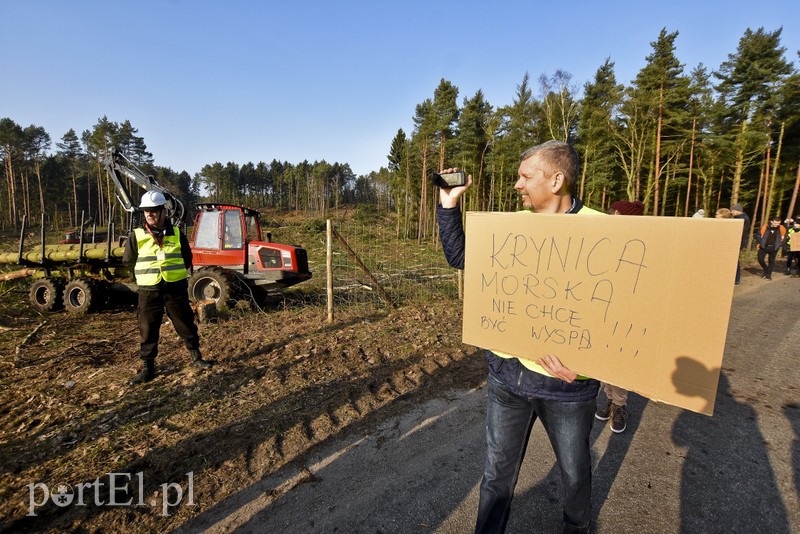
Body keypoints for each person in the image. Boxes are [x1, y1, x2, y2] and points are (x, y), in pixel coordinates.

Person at [437, 140, 600, 534]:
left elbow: (623, 316)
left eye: (526, 176)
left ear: (556, 180)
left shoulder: (603, 230)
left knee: (575, 475)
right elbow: (460, 257)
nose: (517, 184)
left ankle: (576, 528)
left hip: (566, 388)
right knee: (496, 476)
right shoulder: (511, 226)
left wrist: (593, 364)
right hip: (507, 378)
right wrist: (448, 205)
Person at [123, 191, 213, 384]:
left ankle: (196, 357)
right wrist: (142, 279)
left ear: (164, 212)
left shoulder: (177, 234)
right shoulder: (136, 236)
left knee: (185, 322)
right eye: (146, 211)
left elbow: (187, 259)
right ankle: (148, 368)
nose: (150, 214)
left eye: (154, 211)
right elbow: (129, 262)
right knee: (147, 328)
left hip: (174, 289)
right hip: (149, 291)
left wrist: (175, 277)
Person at [594, 200, 643, 434]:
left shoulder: (639, 245)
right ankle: (610, 399)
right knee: (605, 361)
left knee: (620, 362)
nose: (609, 217)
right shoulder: (608, 241)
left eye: (614, 214)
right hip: (604, 309)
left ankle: (620, 405)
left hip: (627, 313)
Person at [756, 216, 787, 280]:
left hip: (774, 247)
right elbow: (758, 234)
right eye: (775, 223)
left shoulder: (782, 229)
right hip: (764, 246)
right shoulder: (765, 227)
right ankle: (766, 269)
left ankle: (768, 275)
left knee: (771, 261)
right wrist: (761, 242)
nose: (776, 225)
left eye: (778, 223)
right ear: (772, 222)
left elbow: (784, 238)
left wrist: (779, 245)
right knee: (760, 259)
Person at [730, 204, 750, 285]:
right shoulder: (739, 218)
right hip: (738, 241)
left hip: (739, 242)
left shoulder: (742, 219)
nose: (731, 212)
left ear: (738, 210)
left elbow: (740, 232)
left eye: (733, 210)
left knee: (735, 260)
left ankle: (736, 279)